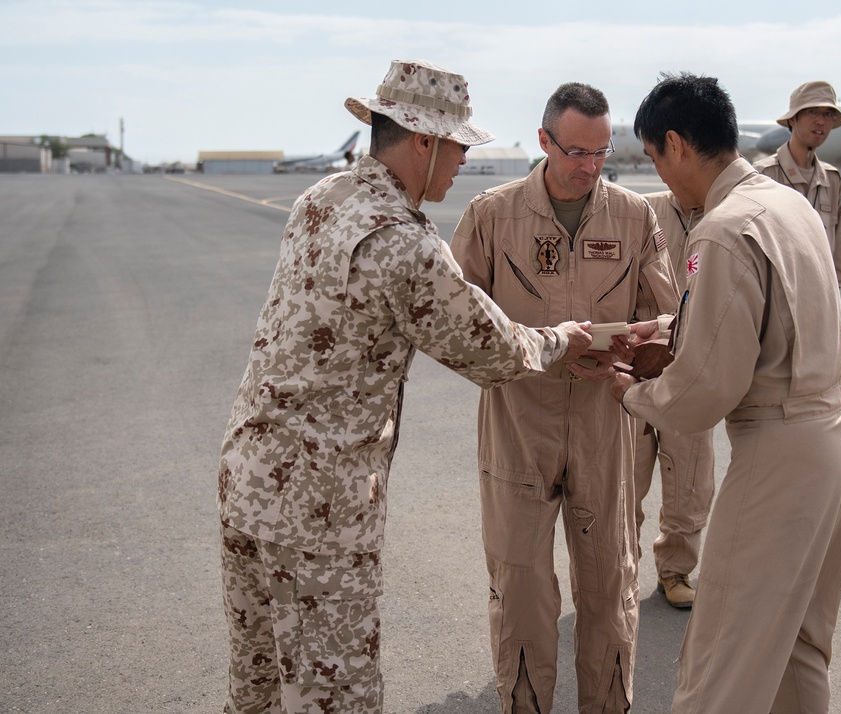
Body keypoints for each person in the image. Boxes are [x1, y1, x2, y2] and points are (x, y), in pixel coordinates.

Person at [216, 59, 594, 714]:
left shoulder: (321, 198)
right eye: (457, 149)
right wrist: (563, 339)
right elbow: (491, 350)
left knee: (259, 692)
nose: (460, 164)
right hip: (317, 512)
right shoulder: (403, 243)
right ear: (423, 141)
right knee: (336, 697)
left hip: (247, 482)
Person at [612, 72, 841, 713]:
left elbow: (704, 391)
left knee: (721, 657)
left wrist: (629, 391)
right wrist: (676, 327)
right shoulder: (788, 204)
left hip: (781, 450)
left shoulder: (722, 229)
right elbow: (776, 320)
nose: (661, 176)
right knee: (797, 648)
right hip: (836, 433)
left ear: (676, 145)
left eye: (654, 158)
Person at [450, 82, 679, 713]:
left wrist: (634, 348)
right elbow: (457, 327)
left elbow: (664, 317)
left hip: (606, 423)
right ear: (545, 140)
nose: (588, 166)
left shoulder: (636, 217)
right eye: (576, 151)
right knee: (521, 584)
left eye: (602, 152)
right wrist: (545, 347)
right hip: (519, 423)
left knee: (610, 582)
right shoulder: (491, 216)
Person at [632, 190, 716, 609]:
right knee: (625, 476)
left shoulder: (725, 213)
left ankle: (676, 568)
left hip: (695, 364)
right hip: (642, 359)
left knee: (690, 476)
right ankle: (619, 567)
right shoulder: (642, 208)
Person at [753, 81, 841, 286]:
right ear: (793, 120)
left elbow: (838, 253)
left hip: (820, 298)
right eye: (812, 112)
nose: (821, 121)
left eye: (828, 114)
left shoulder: (831, 179)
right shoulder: (763, 174)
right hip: (776, 301)